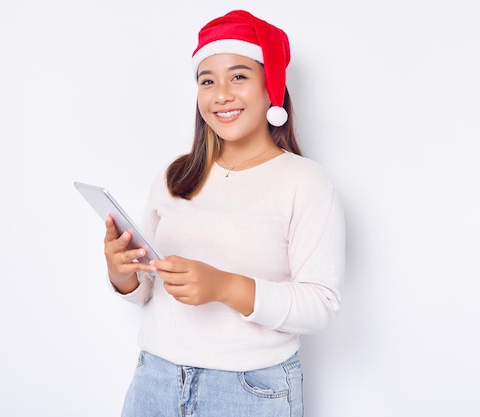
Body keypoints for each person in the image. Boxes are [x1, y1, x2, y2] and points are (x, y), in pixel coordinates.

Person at [102, 9, 345, 417]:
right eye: (207, 80)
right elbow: (145, 291)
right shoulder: (175, 175)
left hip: (250, 392)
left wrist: (223, 287)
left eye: (238, 76)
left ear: (272, 87)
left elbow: (320, 304)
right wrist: (122, 271)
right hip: (154, 381)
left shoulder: (305, 182)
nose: (220, 95)